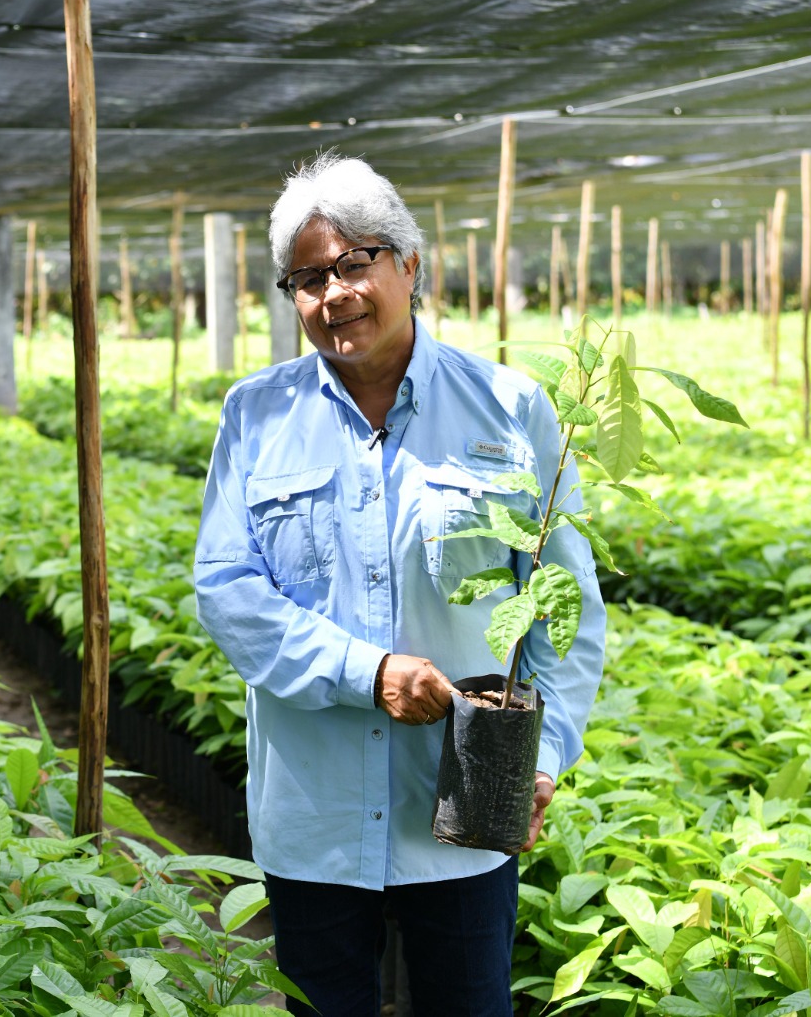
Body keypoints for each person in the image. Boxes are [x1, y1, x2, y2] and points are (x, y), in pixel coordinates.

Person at [193, 153, 605, 1016]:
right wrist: (366, 672)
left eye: (354, 263)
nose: (334, 293)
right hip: (315, 825)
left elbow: (564, 609)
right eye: (307, 277)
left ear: (408, 266)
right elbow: (228, 590)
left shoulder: (508, 407)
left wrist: (548, 753)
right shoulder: (255, 415)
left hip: (460, 819)